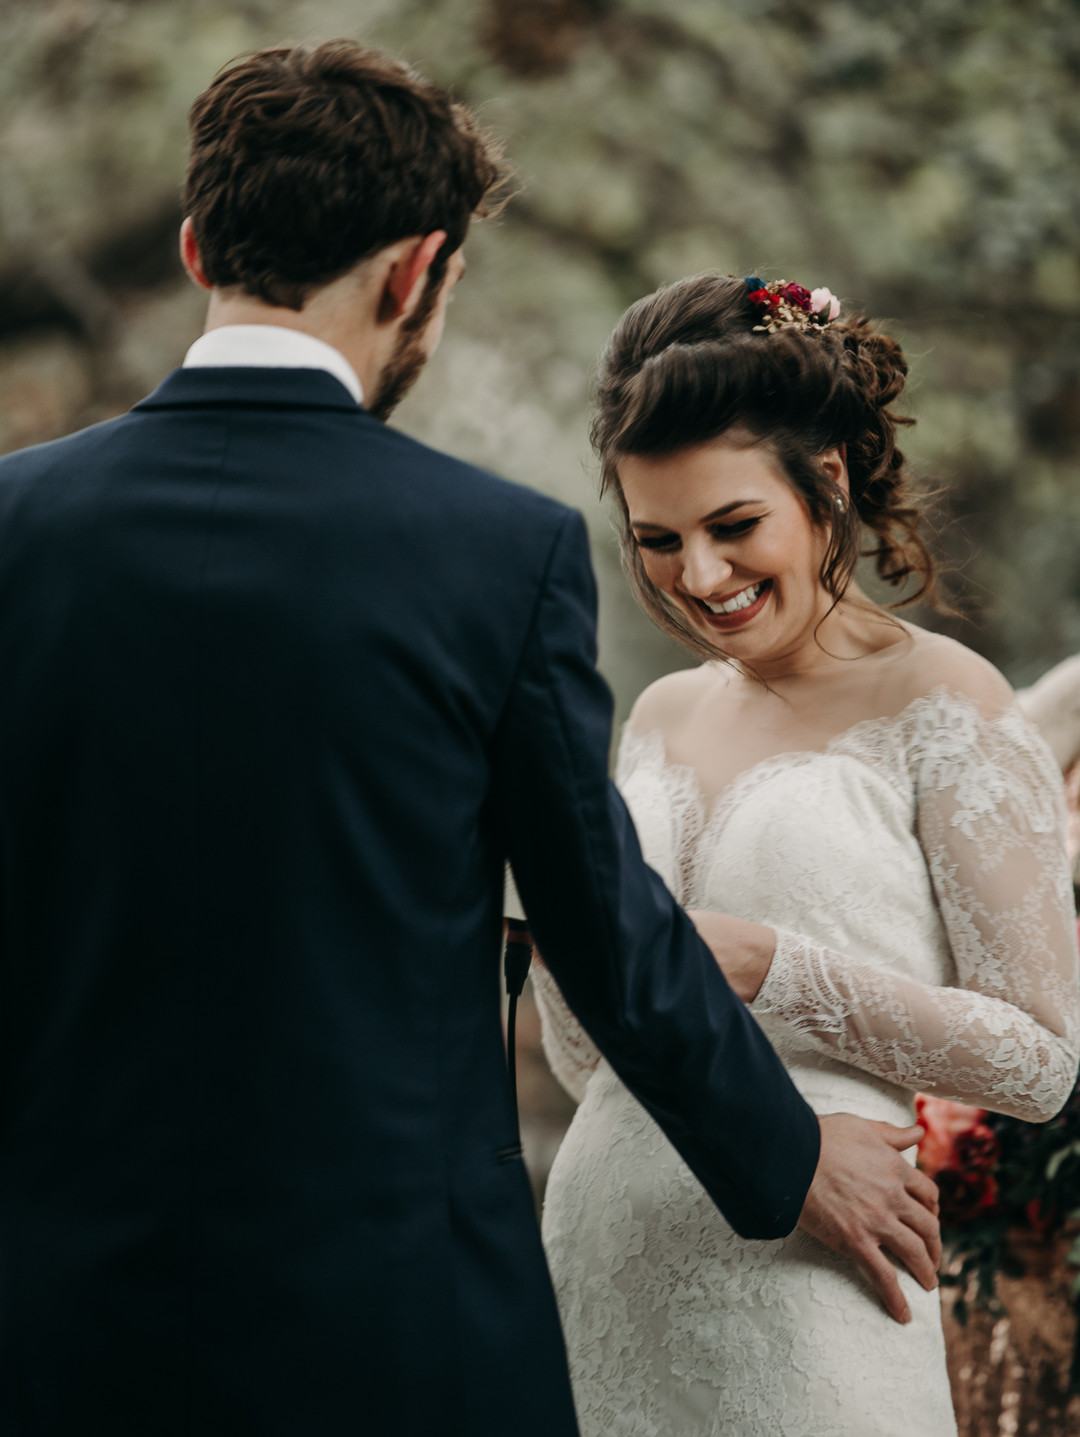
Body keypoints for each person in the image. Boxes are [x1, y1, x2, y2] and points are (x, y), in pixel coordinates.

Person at [0, 48, 938, 1437]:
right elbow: (605, 927)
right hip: (389, 1322)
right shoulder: (496, 555)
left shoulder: (14, 529)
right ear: (415, 273)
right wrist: (789, 1152)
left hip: (56, 1320)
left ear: (199, 246)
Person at [533, 274, 1080, 1436]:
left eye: (735, 528)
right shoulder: (660, 715)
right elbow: (586, 1057)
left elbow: (1039, 1058)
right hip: (599, 1289)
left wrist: (774, 968)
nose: (701, 577)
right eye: (659, 541)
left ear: (826, 478)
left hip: (817, 1301)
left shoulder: (948, 701)